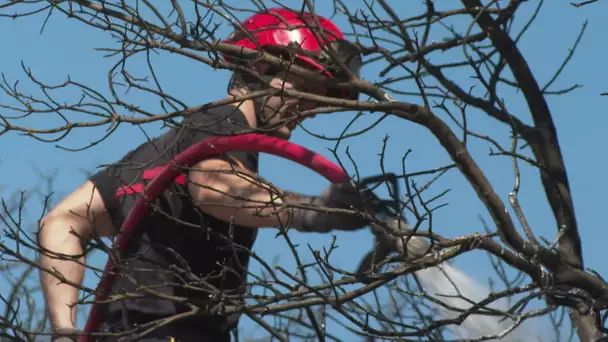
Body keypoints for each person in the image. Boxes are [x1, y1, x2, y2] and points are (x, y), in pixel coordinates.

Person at [39, 8, 369, 342]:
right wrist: (311, 210)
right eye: (304, 89)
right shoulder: (223, 129)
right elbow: (212, 186)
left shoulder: (152, 155)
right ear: (262, 67)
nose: (308, 109)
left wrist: (64, 331)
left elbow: (61, 221)